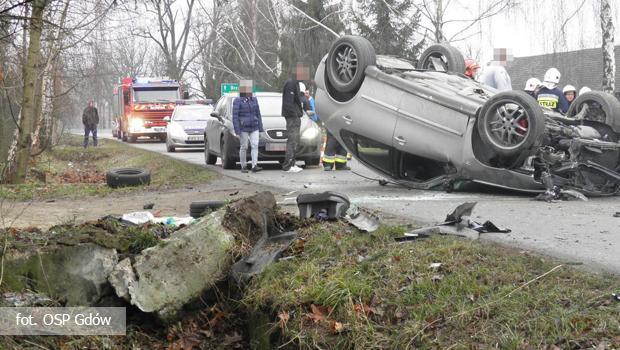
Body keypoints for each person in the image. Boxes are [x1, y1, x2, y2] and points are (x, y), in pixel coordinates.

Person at [281, 62, 310, 173]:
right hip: (292, 117)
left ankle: (292, 163)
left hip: (296, 116)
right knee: (292, 141)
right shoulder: (290, 83)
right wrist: (295, 114)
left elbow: (299, 101)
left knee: (295, 141)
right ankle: (287, 165)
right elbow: (289, 103)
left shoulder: (296, 83)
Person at [232, 80, 264, 173]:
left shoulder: (254, 99)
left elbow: (258, 114)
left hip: (254, 126)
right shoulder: (237, 101)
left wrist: (260, 128)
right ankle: (243, 166)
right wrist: (237, 131)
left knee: (255, 145)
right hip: (243, 128)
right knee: (244, 146)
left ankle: (254, 165)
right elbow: (235, 117)